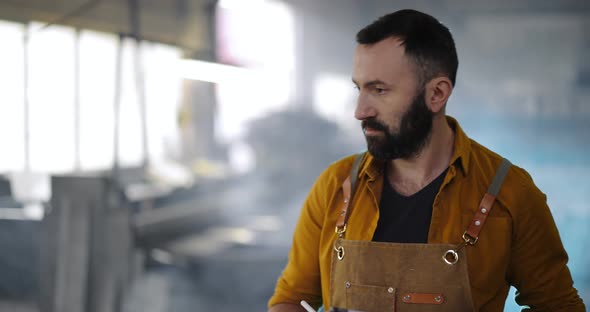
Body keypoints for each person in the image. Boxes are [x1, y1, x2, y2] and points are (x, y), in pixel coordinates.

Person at [268, 9, 585, 312]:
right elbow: (292, 298)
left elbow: (558, 307)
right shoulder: (335, 187)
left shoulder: (510, 193)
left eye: (379, 90)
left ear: (437, 94)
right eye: (359, 89)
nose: (360, 111)